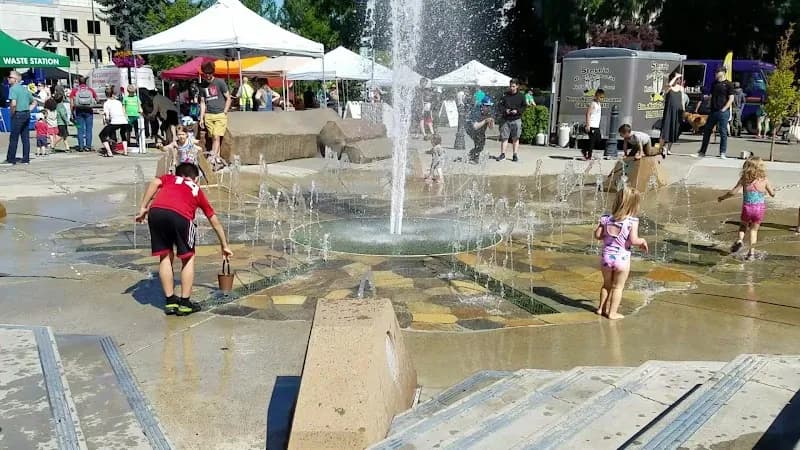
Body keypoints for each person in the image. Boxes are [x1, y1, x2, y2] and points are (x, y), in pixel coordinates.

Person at [135, 163, 233, 316]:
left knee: (165, 255)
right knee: (188, 258)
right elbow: (213, 219)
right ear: (195, 178)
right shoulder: (196, 189)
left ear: (177, 173)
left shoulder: (170, 178)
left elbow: (155, 182)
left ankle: (170, 301)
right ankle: (185, 303)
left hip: (156, 212)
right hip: (180, 216)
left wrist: (143, 207)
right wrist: (224, 245)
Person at [594, 186, 648, 320]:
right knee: (618, 287)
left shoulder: (606, 219)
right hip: (622, 260)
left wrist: (601, 227)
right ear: (634, 205)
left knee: (606, 285)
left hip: (606, 258)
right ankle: (612, 313)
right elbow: (633, 240)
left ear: (617, 202)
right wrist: (642, 241)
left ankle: (601, 308)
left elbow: (598, 235)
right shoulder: (631, 222)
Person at [717, 156, 775, 260]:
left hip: (747, 208)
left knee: (743, 226)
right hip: (759, 209)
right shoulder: (764, 180)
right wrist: (770, 191)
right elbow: (772, 194)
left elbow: (732, 192)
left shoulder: (744, 179)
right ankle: (751, 254)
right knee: (753, 231)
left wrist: (722, 197)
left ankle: (740, 240)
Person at [697, 68, 734, 159]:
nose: (716, 74)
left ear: (723, 73)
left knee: (723, 132)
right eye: (716, 72)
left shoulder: (729, 84)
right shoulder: (714, 84)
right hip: (713, 111)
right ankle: (702, 152)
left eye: (718, 72)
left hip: (723, 112)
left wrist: (724, 108)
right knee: (707, 131)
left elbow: (731, 98)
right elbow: (712, 96)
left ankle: (722, 152)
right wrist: (708, 103)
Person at [199, 61, 231, 158]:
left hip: (220, 114)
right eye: (206, 73)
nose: (208, 75)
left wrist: (225, 111)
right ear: (203, 73)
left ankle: (212, 158)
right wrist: (201, 118)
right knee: (214, 138)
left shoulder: (220, 82)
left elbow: (228, 98)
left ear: (213, 72)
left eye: (210, 73)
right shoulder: (202, 86)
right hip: (209, 115)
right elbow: (202, 102)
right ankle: (217, 158)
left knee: (216, 136)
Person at [4, 70, 36, 165]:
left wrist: (12, 113)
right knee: (25, 138)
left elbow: (13, 104)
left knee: (14, 138)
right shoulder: (25, 89)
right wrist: (28, 110)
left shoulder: (13, 89)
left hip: (17, 114)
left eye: (10, 77)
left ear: (16, 79)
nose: (8, 79)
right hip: (26, 114)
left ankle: (11, 159)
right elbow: (34, 102)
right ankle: (26, 159)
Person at [496, 79, 526, 162]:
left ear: (517, 86)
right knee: (504, 137)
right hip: (505, 119)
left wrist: (517, 111)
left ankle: (515, 154)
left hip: (516, 119)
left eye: (513, 86)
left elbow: (524, 106)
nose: (512, 88)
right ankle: (502, 154)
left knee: (515, 138)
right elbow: (500, 105)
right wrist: (505, 110)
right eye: (510, 86)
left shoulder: (521, 96)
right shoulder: (505, 95)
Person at [99, 86, 130, 157]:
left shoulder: (106, 103)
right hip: (124, 121)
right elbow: (123, 111)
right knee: (122, 133)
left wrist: (106, 121)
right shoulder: (119, 102)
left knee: (102, 135)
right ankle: (125, 151)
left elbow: (107, 117)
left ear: (106, 95)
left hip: (114, 122)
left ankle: (109, 152)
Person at [69, 75, 98, 152]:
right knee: (89, 129)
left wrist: (72, 112)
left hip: (78, 112)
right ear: (86, 82)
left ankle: (81, 146)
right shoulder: (90, 90)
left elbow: (71, 103)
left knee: (79, 129)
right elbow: (97, 99)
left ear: (78, 82)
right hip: (89, 112)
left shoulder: (75, 91)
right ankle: (88, 146)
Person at [659, 72, 684, 157]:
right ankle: (662, 147)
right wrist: (675, 77)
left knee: (674, 129)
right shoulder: (669, 87)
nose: (679, 80)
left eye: (679, 79)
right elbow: (667, 88)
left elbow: (682, 100)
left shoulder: (681, 88)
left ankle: (669, 148)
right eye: (677, 78)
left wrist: (683, 111)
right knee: (666, 128)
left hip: (678, 110)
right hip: (669, 110)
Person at [466, 97, 495, 163]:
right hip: (470, 128)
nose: (489, 107)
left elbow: (491, 128)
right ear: (482, 105)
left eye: (490, 106)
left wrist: (492, 122)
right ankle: (474, 158)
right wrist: (485, 121)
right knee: (478, 141)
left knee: (481, 145)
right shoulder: (477, 112)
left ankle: (471, 155)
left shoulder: (489, 113)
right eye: (487, 106)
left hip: (480, 130)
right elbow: (475, 127)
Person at [583, 89, 605, 160]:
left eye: (603, 97)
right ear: (596, 96)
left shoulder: (599, 104)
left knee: (598, 139)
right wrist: (588, 125)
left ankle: (585, 149)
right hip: (592, 125)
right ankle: (589, 156)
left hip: (596, 125)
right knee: (592, 141)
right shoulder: (593, 104)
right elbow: (588, 113)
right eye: (600, 97)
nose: (601, 99)